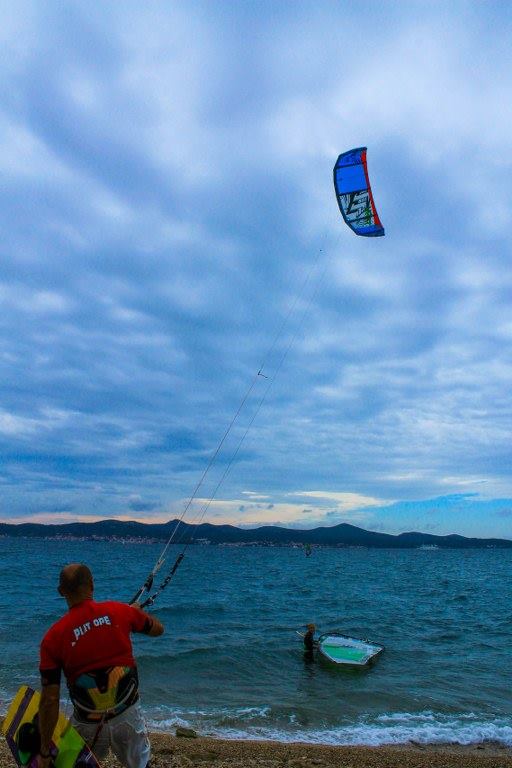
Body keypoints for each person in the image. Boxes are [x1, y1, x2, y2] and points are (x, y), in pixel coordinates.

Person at [37, 563, 164, 768]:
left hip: (87, 721)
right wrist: (136, 614)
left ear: (61, 592)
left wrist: (44, 750)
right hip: (127, 713)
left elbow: (50, 699)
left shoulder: (52, 638)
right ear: (92, 585)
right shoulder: (121, 611)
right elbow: (158, 629)